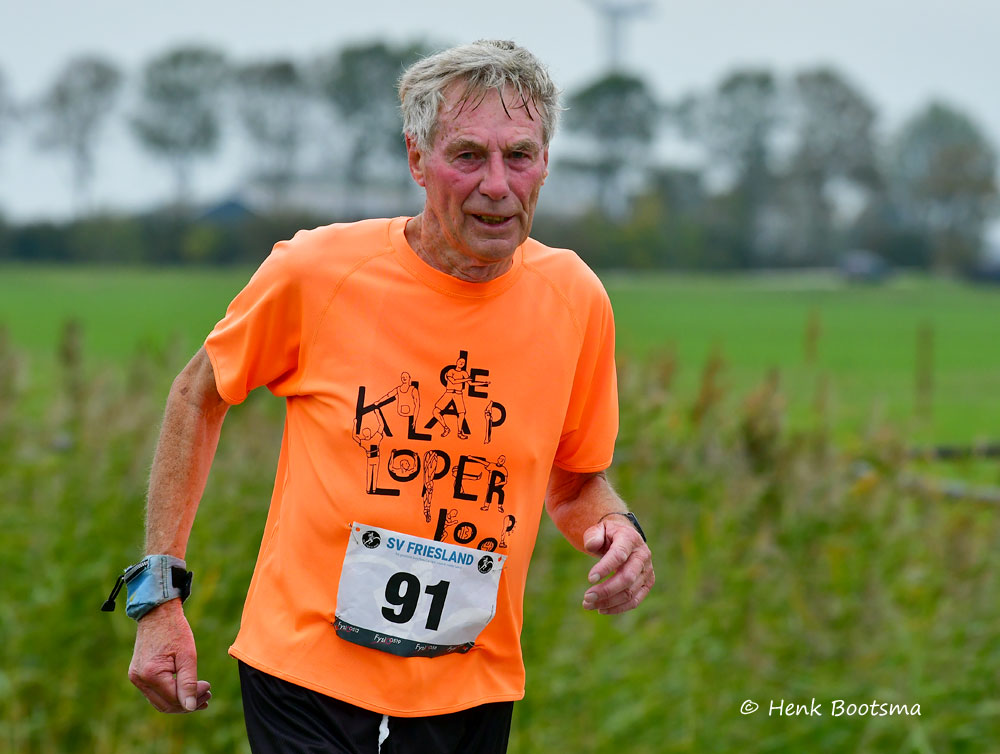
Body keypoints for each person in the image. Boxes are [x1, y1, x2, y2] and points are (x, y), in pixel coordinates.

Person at [124, 39, 654, 754]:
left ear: (545, 163)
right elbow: (197, 396)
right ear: (416, 159)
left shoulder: (575, 299)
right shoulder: (318, 271)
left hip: (469, 688)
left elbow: (574, 478)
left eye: (519, 156)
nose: (497, 184)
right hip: (305, 674)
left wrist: (616, 527)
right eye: (468, 156)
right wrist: (158, 595)